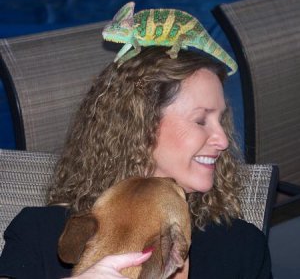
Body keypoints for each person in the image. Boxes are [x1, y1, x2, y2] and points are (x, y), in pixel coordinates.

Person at [0, 46, 272, 279]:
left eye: (220, 120)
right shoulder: (40, 233)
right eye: (201, 120)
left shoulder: (239, 246)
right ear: (141, 126)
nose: (223, 140)